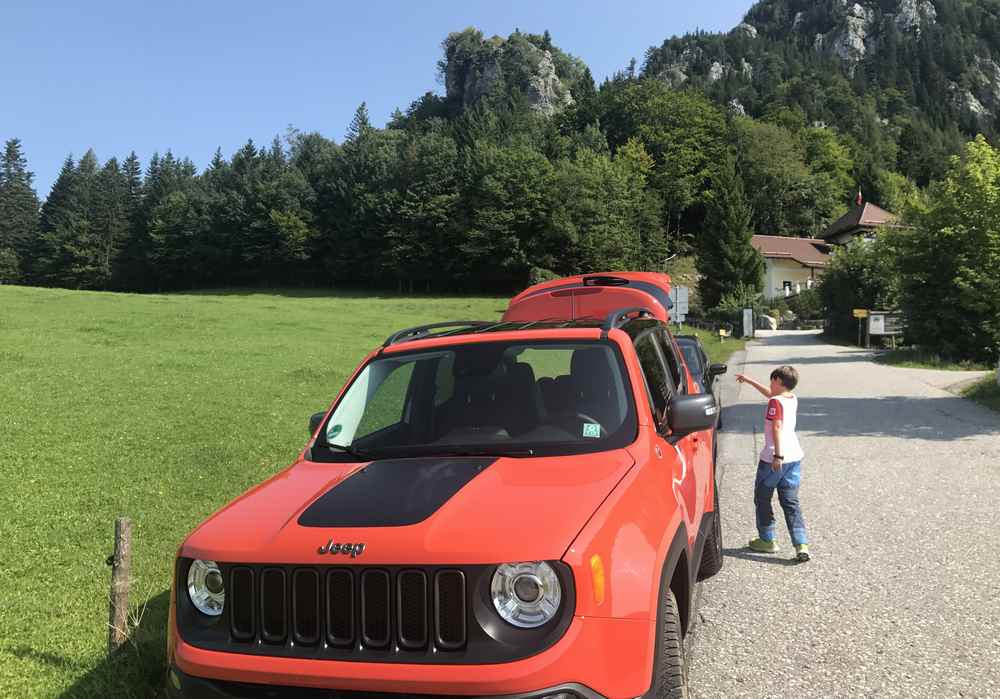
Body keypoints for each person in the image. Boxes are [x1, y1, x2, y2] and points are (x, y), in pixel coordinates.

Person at [735, 366, 810, 562]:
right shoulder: (790, 398)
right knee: (790, 502)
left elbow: (776, 426)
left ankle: (767, 539)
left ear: (777, 380)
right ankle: (801, 544)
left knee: (762, 498)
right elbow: (771, 395)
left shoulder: (775, 403)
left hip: (774, 460)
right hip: (794, 459)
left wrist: (777, 455)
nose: (770, 384)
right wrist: (749, 381)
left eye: (771, 381)